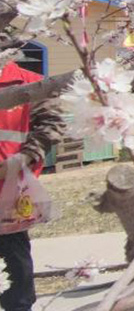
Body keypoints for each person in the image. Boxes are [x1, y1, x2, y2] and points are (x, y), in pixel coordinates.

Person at [0, 56, 61, 311]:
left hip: (11, 186)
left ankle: (20, 304)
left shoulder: (30, 84)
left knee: (16, 252)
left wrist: (22, 159)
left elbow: (51, 126)